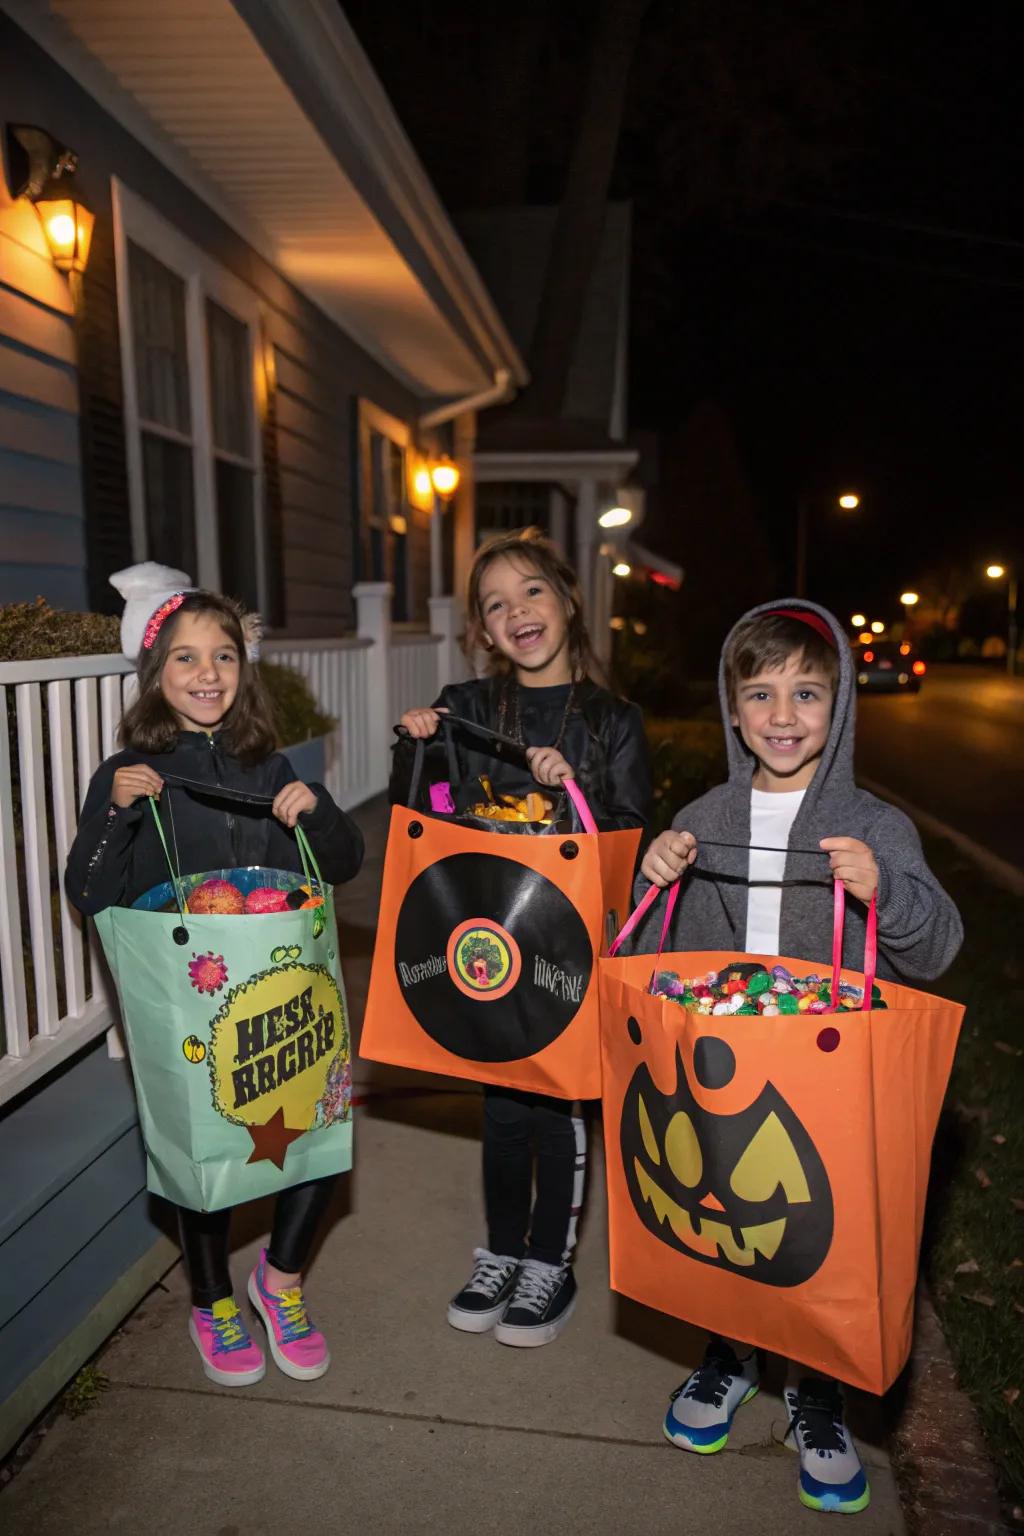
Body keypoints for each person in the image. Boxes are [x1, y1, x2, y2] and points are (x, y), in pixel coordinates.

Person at [634, 599, 962, 1515]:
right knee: (721, 1217)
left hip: (832, 1073)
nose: (783, 715)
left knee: (818, 1232)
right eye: (762, 693)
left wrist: (885, 891)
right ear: (733, 709)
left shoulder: (874, 825)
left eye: (807, 693)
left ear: (841, 703)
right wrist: (653, 873)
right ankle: (731, 1355)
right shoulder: (703, 815)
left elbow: (936, 949)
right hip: (726, 1063)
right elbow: (653, 954)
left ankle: (818, 1390)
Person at [66, 563, 364, 1389]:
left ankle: (282, 1279)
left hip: (285, 994)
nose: (208, 675)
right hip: (190, 1008)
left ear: (244, 667)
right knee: (203, 1156)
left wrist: (320, 811)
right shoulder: (133, 773)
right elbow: (88, 892)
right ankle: (212, 1300)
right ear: (156, 678)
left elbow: (340, 864)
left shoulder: (271, 767)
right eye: (186, 660)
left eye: (224, 656)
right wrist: (117, 812)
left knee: (325, 1141)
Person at [396, 527, 650, 1346]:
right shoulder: (468, 707)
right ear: (483, 630)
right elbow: (423, 810)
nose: (518, 612)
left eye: (532, 591)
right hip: (484, 942)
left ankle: (552, 1262)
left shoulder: (612, 720)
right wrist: (416, 742)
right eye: (496, 605)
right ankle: (502, 1251)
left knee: (559, 1105)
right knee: (500, 1102)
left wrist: (571, 791)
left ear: (568, 600)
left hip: (567, 947)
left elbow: (629, 838)